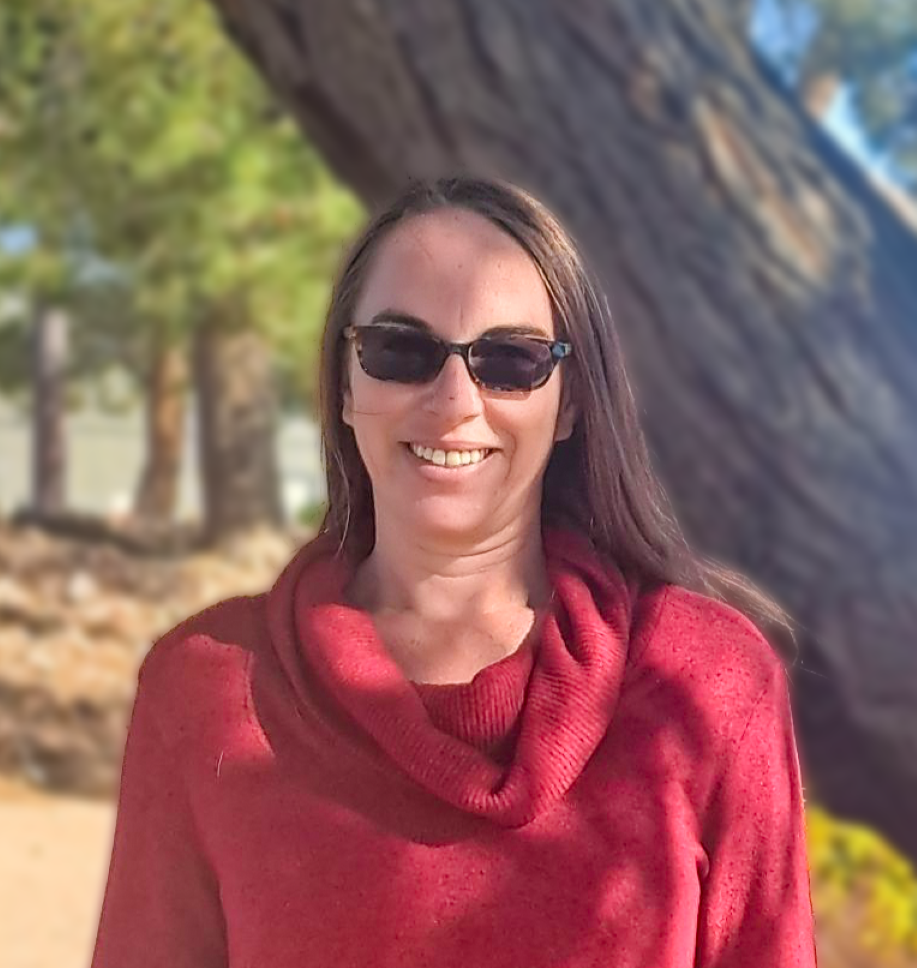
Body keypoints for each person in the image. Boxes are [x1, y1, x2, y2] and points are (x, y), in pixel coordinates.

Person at [90, 175, 817, 967]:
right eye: (400, 349)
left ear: (569, 401)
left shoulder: (711, 681)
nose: (453, 400)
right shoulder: (204, 688)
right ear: (343, 381)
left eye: (510, 360)